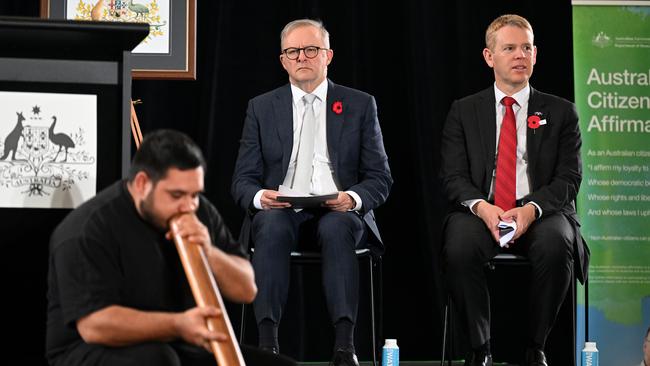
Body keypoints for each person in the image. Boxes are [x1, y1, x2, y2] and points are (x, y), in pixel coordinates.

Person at [232, 18, 392, 366]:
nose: (301, 57)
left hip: (337, 208)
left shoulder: (360, 104)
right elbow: (242, 180)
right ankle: (267, 346)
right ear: (283, 60)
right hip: (281, 208)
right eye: (293, 51)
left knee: (338, 227)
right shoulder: (261, 107)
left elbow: (380, 177)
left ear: (328, 56)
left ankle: (345, 347)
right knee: (271, 225)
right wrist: (263, 197)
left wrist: (353, 199)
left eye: (311, 49)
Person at [440, 14, 589, 366]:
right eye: (510, 48)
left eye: (526, 47)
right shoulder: (463, 111)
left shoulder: (562, 111)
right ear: (489, 57)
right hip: (483, 211)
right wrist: (484, 208)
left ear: (535, 54)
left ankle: (535, 347)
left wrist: (530, 210)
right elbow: (452, 176)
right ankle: (481, 350)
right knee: (459, 245)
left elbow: (569, 178)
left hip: (541, 212)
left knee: (557, 243)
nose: (520, 55)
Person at [46, 130, 258, 366]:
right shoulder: (88, 229)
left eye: (195, 195)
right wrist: (179, 325)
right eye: (176, 195)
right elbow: (95, 327)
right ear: (142, 183)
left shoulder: (199, 212)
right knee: (158, 360)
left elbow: (246, 290)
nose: (188, 206)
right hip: (89, 350)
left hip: (176, 342)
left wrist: (209, 251)